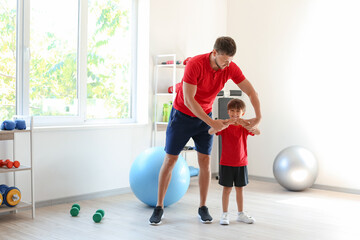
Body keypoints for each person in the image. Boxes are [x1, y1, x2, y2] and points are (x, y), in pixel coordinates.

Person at [149, 36, 262, 225]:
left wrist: (258, 118)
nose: (228, 65)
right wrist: (212, 122)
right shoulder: (195, 64)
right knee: (170, 160)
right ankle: (159, 207)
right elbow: (189, 100)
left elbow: (251, 92)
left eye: (230, 61)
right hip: (183, 116)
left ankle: (202, 207)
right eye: (225, 60)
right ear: (215, 53)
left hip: (205, 116)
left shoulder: (230, 67)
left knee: (205, 160)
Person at [209, 98, 260, 225]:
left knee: (240, 189)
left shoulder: (244, 127)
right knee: (226, 189)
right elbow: (210, 131)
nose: (235, 114)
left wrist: (246, 124)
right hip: (226, 162)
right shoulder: (225, 126)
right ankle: (224, 214)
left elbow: (258, 132)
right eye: (232, 111)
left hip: (241, 163)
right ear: (228, 112)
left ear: (242, 113)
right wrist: (225, 123)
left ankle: (240, 214)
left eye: (238, 111)